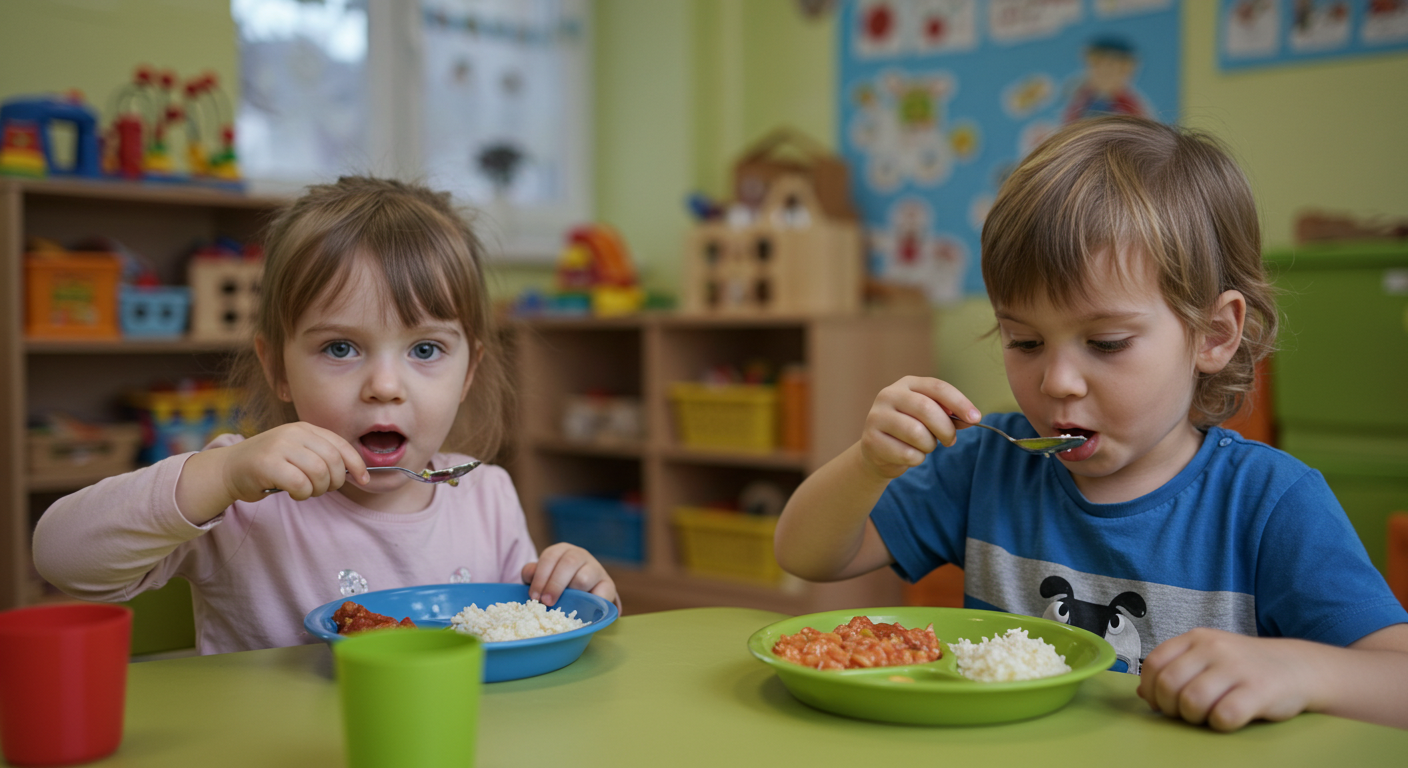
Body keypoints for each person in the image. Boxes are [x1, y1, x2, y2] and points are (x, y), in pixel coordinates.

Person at [774, 116, 1408, 731]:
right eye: (1024, 342)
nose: (1057, 382)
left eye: (1105, 343)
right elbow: (806, 556)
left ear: (1213, 336)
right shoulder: (986, 466)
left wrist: (1301, 670)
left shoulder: (1270, 504)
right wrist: (868, 465)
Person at [34, 177, 618, 654]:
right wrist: (221, 475)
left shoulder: (487, 496)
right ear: (278, 368)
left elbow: (528, 637)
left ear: (468, 372)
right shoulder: (243, 497)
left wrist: (574, 589)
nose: (384, 387)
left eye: (425, 350)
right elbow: (62, 560)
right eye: (340, 348)